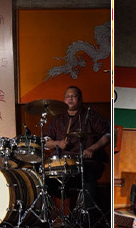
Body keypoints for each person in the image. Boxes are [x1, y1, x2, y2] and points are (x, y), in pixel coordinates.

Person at [41, 86, 111, 217]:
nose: (70, 99)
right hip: (61, 163)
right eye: (67, 96)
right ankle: (51, 216)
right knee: (44, 181)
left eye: (73, 96)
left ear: (80, 99)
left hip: (85, 161)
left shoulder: (90, 115)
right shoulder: (57, 118)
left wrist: (92, 148)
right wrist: (57, 143)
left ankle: (85, 217)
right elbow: (46, 141)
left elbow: (108, 135)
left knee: (88, 179)